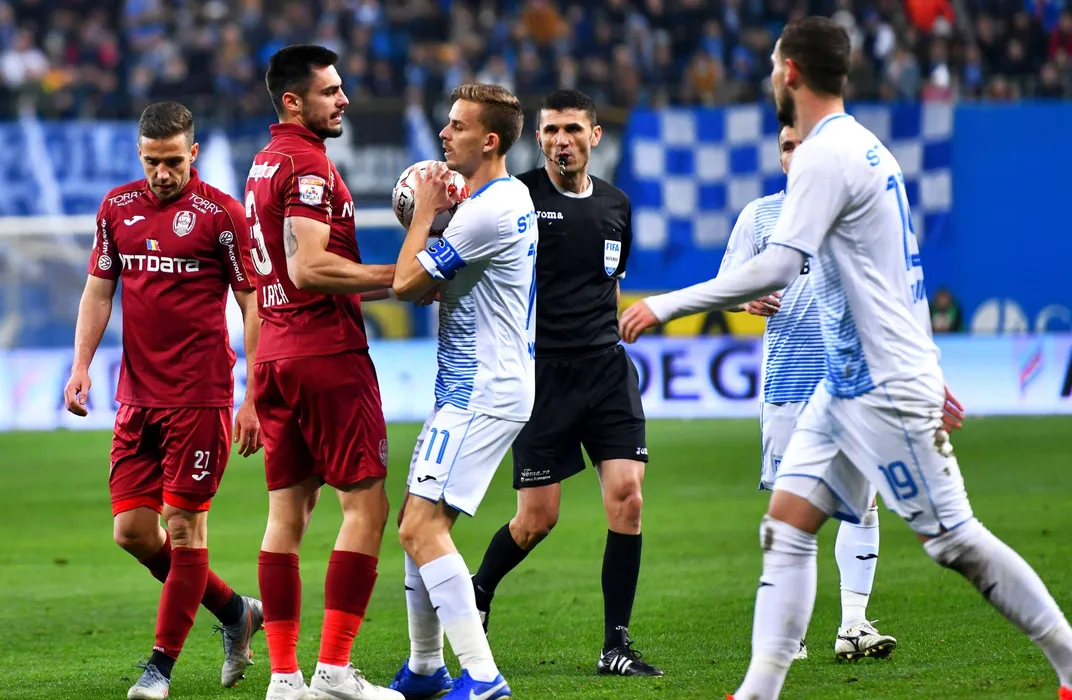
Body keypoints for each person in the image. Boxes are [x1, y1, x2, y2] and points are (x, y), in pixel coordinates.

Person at [620, 17, 1072, 700]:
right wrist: (930, 365)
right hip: (844, 383)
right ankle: (759, 690)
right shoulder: (865, 148)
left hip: (882, 384)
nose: (771, 77)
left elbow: (776, 266)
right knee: (788, 523)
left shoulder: (824, 155)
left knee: (953, 539)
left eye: (774, 66)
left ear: (791, 73)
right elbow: (900, 276)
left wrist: (665, 304)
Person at [63, 100, 265, 700]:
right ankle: (236, 611)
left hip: (200, 396)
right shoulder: (116, 208)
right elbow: (99, 291)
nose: (162, 173)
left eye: (173, 161)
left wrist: (253, 394)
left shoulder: (221, 215)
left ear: (192, 153)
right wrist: (80, 367)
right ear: (140, 154)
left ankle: (159, 669)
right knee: (132, 532)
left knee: (183, 528)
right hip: (137, 396)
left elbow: (252, 302)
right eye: (152, 161)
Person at [469, 88, 662, 677]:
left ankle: (616, 646)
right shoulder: (516, 197)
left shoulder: (616, 204)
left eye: (573, 129)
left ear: (594, 137)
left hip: (606, 370)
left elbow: (609, 279)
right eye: (551, 130)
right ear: (538, 138)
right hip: (542, 378)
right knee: (537, 520)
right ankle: (478, 590)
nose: (562, 141)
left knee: (628, 497)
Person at [245, 44, 402, 700]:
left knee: (287, 514)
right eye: (330, 91)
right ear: (293, 101)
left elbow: (267, 278)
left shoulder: (263, 163)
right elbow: (308, 267)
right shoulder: (307, 164)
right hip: (325, 353)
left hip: (276, 355)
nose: (343, 99)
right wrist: (401, 276)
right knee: (366, 506)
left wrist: (250, 385)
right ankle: (334, 669)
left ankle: (285, 677)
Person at [721, 124, 896, 662]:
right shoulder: (759, 217)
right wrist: (745, 301)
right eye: (788, 147)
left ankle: (853, 625)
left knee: (862, 501)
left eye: (806, 146)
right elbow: (727, 284)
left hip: (849, 385)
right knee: (794, 511)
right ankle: (789, 634)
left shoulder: (855, 214)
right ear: (780, 157)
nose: (796, 155)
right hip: (788, 386)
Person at [387, 83, 536, 700]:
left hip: (482, 389)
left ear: (489, 140)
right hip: (472, 387)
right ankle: (426, 668)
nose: (444, 135)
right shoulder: (506, 196)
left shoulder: (486, 212)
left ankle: (482, 674)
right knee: (415, 520)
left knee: (421, 529)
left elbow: (404, 285)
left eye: (457, 126)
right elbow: (433, 283)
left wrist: (425, 211)